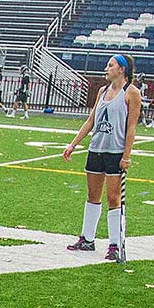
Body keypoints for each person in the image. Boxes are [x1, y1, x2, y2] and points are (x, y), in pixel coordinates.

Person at [62, 54, 140, 262]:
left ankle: (114, 243)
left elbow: (131, 127)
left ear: (121, 69)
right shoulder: (102, 91)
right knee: (92, 195)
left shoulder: (131, 93)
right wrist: (73, 144)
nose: (106, 68)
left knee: (113, 198)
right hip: (97, 148)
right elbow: (91, 120)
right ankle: (87, 238)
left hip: (114, 151)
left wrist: (127, 155)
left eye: (110, 65)